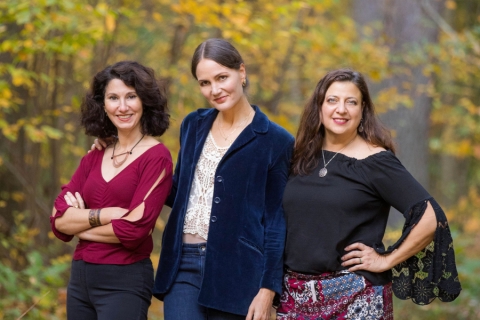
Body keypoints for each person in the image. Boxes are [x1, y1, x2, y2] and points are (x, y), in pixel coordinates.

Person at [277, 69, 461, 319]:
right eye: (332, 100)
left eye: (351, 102)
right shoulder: (300, 155)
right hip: (294, 299)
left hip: (356, 298)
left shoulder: (375, 161)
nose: (340, 109)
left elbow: (430, 217)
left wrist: (386, 260)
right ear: (319, 107)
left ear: (363, 110)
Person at [152, 38, 294, 319]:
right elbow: (178, 190)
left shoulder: (276, 141)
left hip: (239, 272)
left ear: (241, 73)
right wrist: (127, 153)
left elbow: (276, 222)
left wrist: (268, 290)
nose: (214, 90)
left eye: (222, 77)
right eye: (204, 83)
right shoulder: (193, 125)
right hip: (182, 265)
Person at [50, 61, 172, 320]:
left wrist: (79, 226)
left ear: (145, 101)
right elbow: (58, 219)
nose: (123, 107)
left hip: (124, 280)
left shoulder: (157, 157)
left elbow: (135, 230)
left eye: (131, 96)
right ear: (103, 105)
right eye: (113, 98)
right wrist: (105, 215)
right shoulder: (94, 156)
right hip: (80, 279)